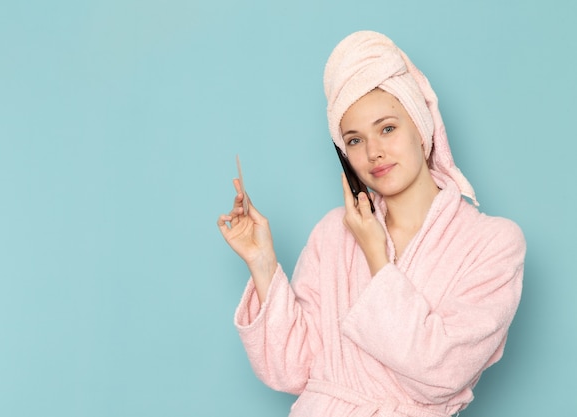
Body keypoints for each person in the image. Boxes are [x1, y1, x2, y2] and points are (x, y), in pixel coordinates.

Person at [217, 30, 525, 417]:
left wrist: (377, 256)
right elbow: (292, 371)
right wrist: (262, 264)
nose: (374, 152)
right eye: (355, 140)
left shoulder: (492, 243)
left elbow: (443, 371)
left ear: (421, 127)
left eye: (388, 128)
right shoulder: (333, 232)